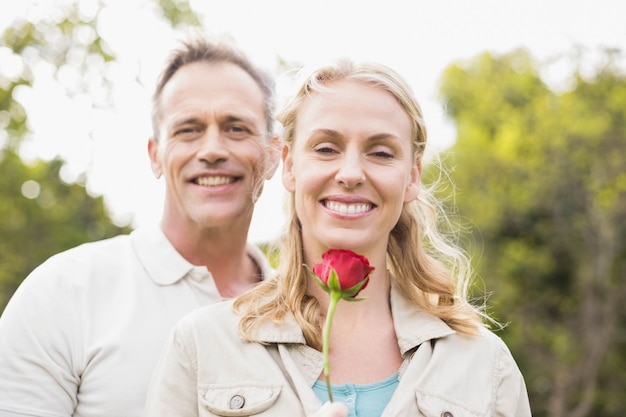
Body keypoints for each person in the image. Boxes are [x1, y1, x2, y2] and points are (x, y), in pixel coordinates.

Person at [143, 59, 532, 416]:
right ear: (289, 164)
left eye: (380, 153)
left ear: (412, 176)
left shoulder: (483, 364)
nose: (351, 173)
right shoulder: (204, 344)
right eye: (326, 148)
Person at [0, 34, 280, 417]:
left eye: (236, 128)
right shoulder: (62, 293)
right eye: (188, 129)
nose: (212, 149)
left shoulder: (307, 314)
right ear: (156, 156)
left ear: (273, 155)